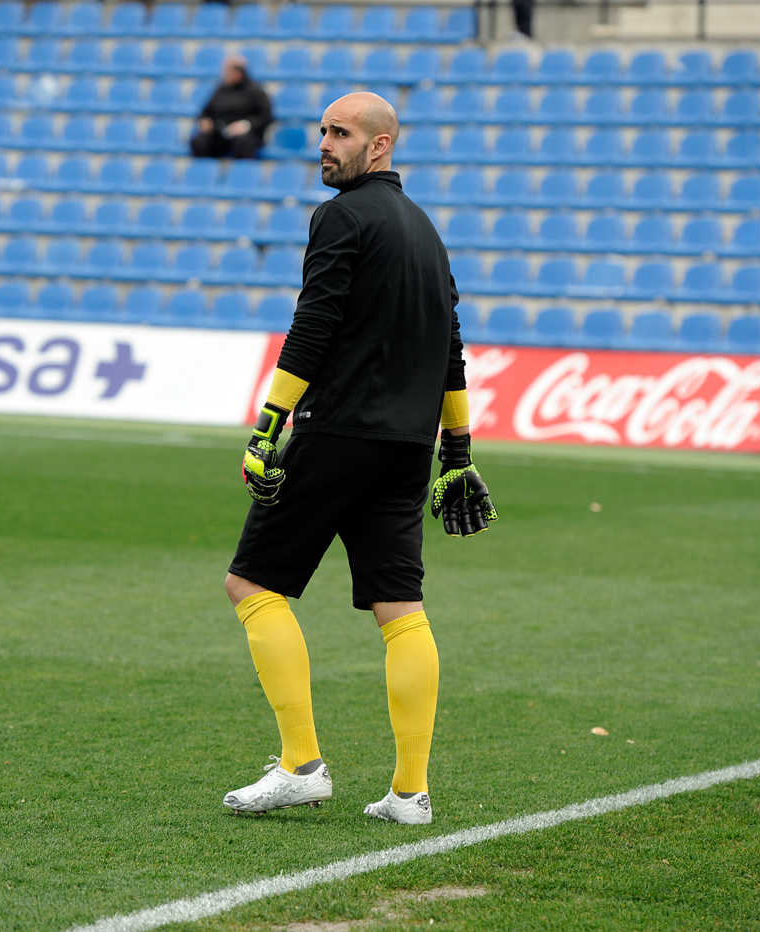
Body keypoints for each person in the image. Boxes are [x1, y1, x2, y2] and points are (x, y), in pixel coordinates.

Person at [220, 92, 498, 825]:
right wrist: (457, 453)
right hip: (408, 449)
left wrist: (269, 424)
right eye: (321, 131)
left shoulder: (340, 216)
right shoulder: (426, 233)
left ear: (380, 147)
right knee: (401, 610)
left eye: (340, 134)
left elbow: (313, 324)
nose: (324, 143)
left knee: (252, 584)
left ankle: (300, 763)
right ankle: (411, 792)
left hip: (339, 432)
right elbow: (451, 349)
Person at [189, 54, 274, 160]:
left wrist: (246, 125)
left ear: (238, 73)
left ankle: (241, 174)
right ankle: (205, 174)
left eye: (228, 71)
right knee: (199, 141)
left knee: (243, 143)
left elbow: (266, 116)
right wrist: (205, 121)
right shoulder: (220, 89)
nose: (224, 74)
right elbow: (206, 112)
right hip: (220, 133)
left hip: (244, 135)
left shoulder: (255, 91)